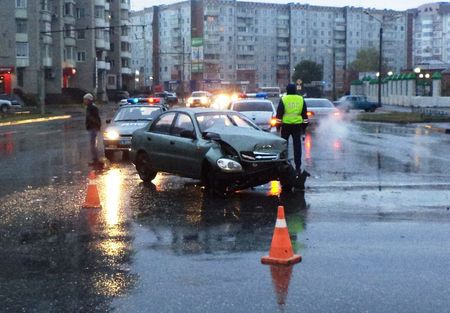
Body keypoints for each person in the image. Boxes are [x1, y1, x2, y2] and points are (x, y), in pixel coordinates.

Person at [276, 83, 308, 176]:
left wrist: (278, 127)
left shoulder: (284, 99)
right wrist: (304, 127)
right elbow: (304, 115)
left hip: (285, 126)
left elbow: (279, 114)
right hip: (297, 126)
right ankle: (298, 166)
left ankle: (284, 164)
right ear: (295, 90)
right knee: (297, 146)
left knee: (284, 146)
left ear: (287, 90)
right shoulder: (300, 99)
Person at [83, 93, 102, 166]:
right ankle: (95, 159)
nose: (84, 101)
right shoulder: (89, 107)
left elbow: (96, 118)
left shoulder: (93, 108)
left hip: (93, 128)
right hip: (91, 127)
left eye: (85, 100)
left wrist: (97, 126)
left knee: (93, 145)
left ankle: (96, 160)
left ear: (89, 100)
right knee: (92, 145)